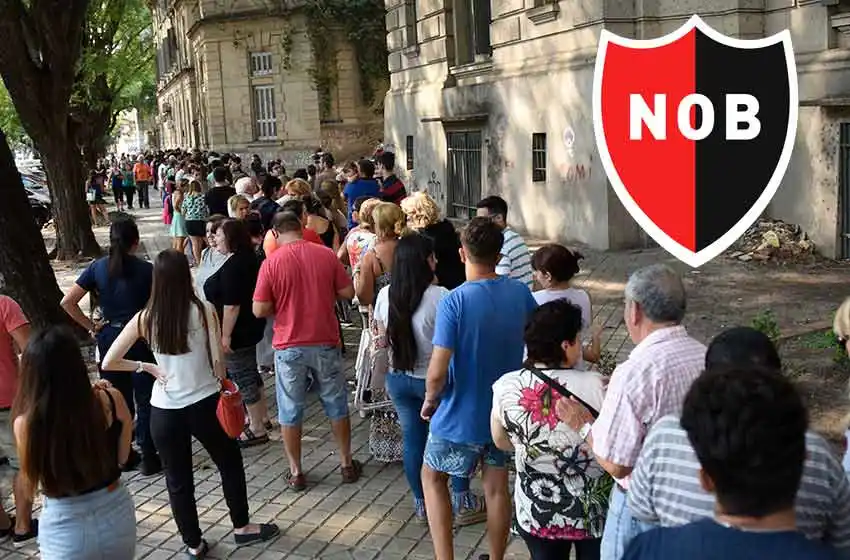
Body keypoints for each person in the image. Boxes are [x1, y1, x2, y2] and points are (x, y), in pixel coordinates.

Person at [102, 250, 280, 558]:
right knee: (230, 463)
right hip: (205, 402)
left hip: (163, 409)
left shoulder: (145, 318)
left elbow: (109, 360)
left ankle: (193, 544)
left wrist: (148, 368)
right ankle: (242, 527)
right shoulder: (203, 309)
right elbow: (218, 362)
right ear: (186, 275)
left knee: (178, 479)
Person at [626, 326, 850, 553]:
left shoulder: (649, 548)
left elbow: (640, 512)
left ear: (706, 479)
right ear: (803, 460)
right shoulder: (817, 451)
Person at [555, 264, 706, 560]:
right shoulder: (704, 355)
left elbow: (617, 464)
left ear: (634, 311)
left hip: (640, 504)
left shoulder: (635, 372)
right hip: (691, 499)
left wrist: (583, 424)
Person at [421, 217, 538, 560]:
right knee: (497, 488)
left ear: (461, 254)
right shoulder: (521, 293)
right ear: (500, 253)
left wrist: (430, 400)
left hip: (460, 413)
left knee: (433, 477)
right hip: (503, 413)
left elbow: (438, 370)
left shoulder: (454, 301)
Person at [373, 233, 485, 526]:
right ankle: (462, 499)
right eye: (432, 256)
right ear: (423, 262)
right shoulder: (443, 297)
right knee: (455, 437)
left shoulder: (385, 295)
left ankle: (422, 505)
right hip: (436, 381)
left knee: (413, 440)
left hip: (399, 378)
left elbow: (381, 338)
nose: (436, 260)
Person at [253, 211, 362, 491]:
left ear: (275, 233)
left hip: (288, 343)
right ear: (302, 227)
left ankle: (296, 471)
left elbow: (259, 309)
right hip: (325, 339)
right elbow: (348, 292)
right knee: (336, 402)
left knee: (290, 408)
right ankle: (346, 463)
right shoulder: (325, 255)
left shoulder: (271, 263)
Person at [492, 300, 608, 560]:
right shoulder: (598, 386)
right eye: (578, 339)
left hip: (537, 511)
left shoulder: (506, 387)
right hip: (593, 513)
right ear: (566, 345)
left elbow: (500, 440)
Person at [13, 327, 136, 559]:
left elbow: (31, 482)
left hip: (64, 522)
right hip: (115, 510)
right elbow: (122, 458)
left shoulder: (26, 424)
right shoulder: (109, 399)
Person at [61, 218, 161, 476]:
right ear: (136, 242)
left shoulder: (97, 268)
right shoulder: (148, 270)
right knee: (146, 398)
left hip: (109, 338)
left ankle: (121, 455)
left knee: (115, 399)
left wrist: (91, 326)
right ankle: (149, 455)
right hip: (140, 339)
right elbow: (154, 309)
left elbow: (68, 302)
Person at [204, 219, 270, 447]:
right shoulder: (251, 258)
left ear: (231, 237)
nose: (215, 239)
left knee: (242, 375)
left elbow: (231, 305)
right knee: (250, 371)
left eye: (219, 235)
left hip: (237, 330)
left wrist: (225, 335)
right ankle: (262, 417)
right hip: (250, 326)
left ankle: (256, 427)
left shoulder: (235, 266)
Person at [0, 295, 36, 545]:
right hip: (8, 399)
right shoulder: (4, 304)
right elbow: (31, 350)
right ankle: (23, 527)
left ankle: (2, 525)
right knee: (21, 463)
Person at [531, 245, 600, 368]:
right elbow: (584, 331)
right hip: (576, 367)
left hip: (545, 370)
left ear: (548, 275)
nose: (535, 275)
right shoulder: (584, 296)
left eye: (537, 271)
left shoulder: (534, 299)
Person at [400, 191, 465, 289]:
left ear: (416, 215)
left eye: (407, 216)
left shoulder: (425, 238)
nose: (406, 220)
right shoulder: (446, 228)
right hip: (458, 281)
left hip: (440, 287)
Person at [356, 202, 406, 307]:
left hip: (384, 314)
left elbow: (364, 298)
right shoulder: (413, 248)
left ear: (379, 225)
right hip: (412, 311)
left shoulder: (372, 256)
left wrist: (357, 275)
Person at [476, 196, 533, 288]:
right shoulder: (515, 237)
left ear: (499, 218)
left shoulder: (502, 245)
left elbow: (496, 285)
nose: (479, 225)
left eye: (482, 220)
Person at [343, 159, 382, 230]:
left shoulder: (350, 185)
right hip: (373, 223)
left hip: (354, 224)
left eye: (357, 169)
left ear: (361, 172)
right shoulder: (377, 185)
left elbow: (343, 197)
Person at [183, 180, 210, 266]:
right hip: (200, 222)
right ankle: (212, 258)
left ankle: (199, 263)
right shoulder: (203, 197)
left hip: (189, 222)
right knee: (209, 242)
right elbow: (207, 210)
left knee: (195, 244)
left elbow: (183, 211)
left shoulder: (187, 197)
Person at [171, 180, 189, 253]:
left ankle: (174, 256)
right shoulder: (180, 194)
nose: (188, 188)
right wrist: (181, 212)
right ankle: (179, 257)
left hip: (176, 216)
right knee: (180, 240)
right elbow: (175, 205)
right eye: (187, 186)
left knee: (176, 239)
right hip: (180, 217)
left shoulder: (176, 192)